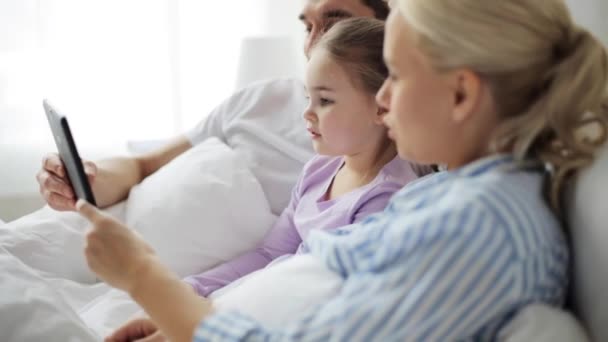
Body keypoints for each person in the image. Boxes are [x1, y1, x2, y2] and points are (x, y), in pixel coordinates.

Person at [78, 0, 608, 341]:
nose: (382, 97)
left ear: (462, 93)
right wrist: (181, 314)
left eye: (395, 76)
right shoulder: (455, 196)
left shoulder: (479, 225)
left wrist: (145, 277)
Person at [35, 0, 392, 216]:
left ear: (384, 31)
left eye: (334, 23)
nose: (314, 44)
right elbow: (143, 166)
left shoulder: (405, 142)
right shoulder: (259, 100)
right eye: (309, 27)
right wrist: (85, 179)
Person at [183, 17, 420, 297]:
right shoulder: (319, 170)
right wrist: (193, 287)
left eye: (325, 100)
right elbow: (270, 253)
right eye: (308, 97)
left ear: (382, 107)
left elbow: (329, 291)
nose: (307, 113)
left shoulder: (386, 198)